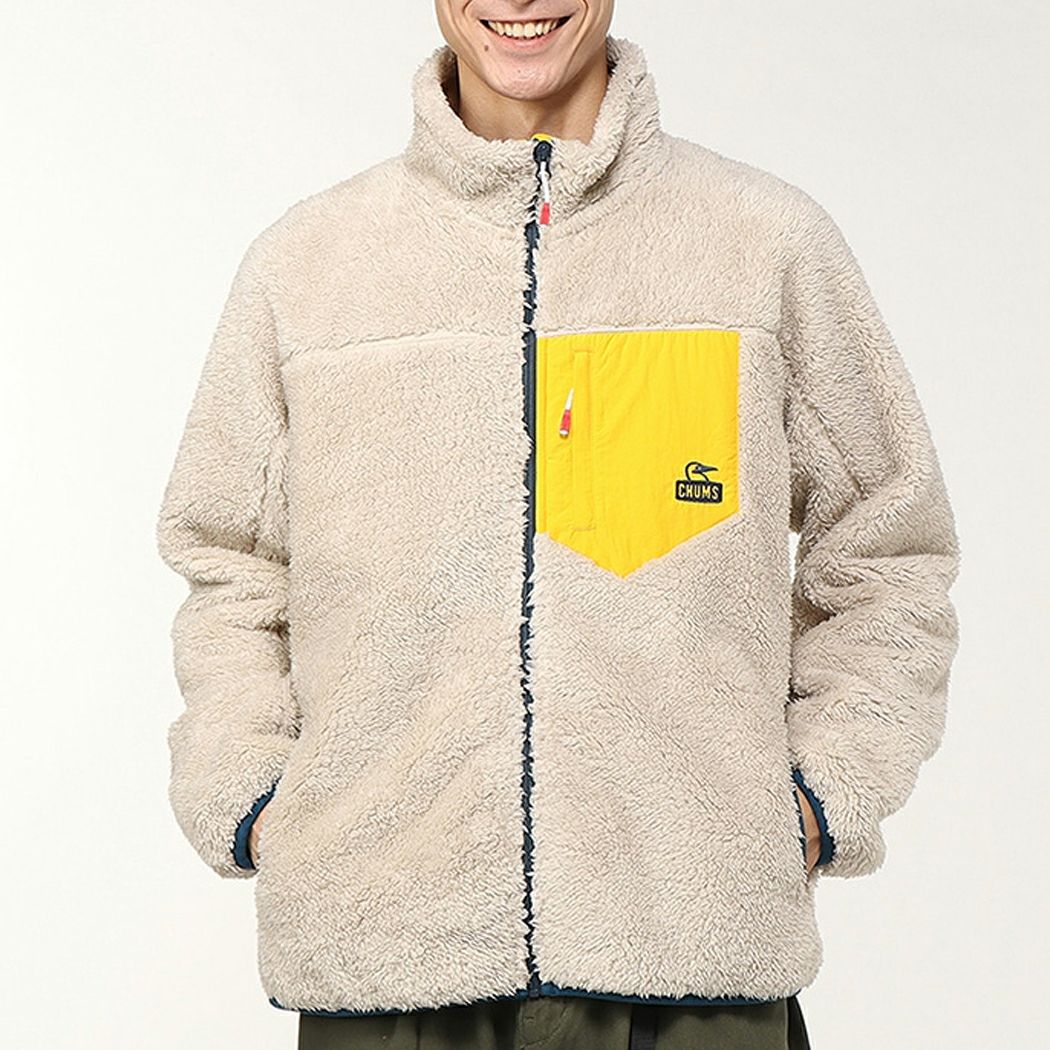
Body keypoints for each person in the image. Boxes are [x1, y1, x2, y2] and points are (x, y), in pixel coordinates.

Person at [155, 3, 961, 1049]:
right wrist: (250, 793)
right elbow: (228, 563)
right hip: (383, 957)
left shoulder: (762, 243)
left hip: (692, 969)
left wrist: (823, 790)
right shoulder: (306, 267)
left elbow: (889, 547)